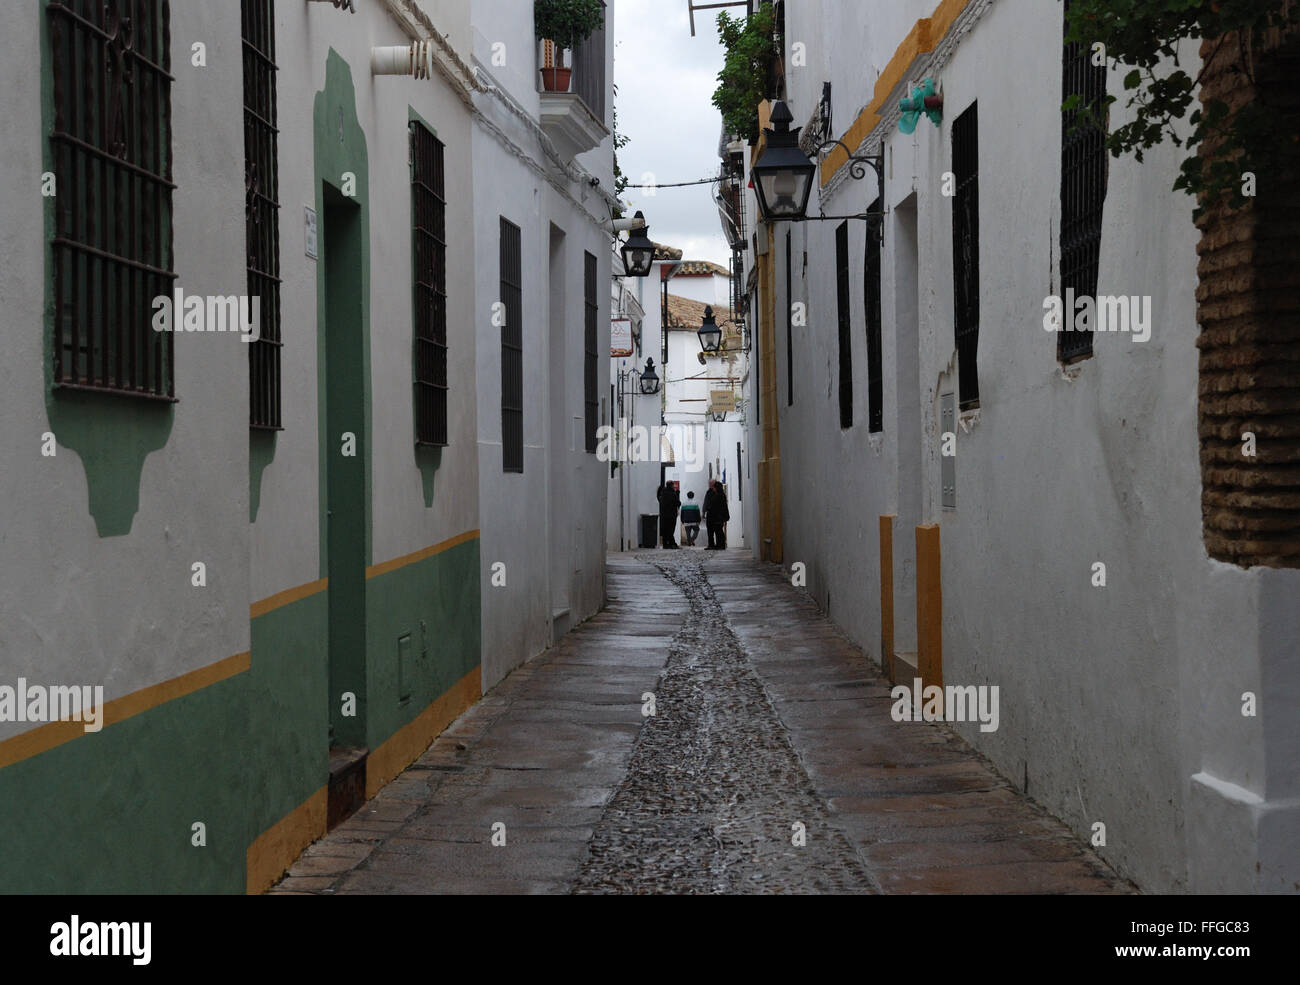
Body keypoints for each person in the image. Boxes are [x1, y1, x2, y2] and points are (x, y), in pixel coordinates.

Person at [703, 480, 729, 550]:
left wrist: (708, 508)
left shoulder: (719, 495)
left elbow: (714, 506)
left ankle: (720, 545)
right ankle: (718, 545)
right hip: (716, 516)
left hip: (717, 516)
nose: (713, 488)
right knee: (717, 531)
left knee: (718, 531)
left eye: (714, 487)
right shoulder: (720, 494)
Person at [657, 482, 680, 549]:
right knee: (671, 530)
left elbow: (660, 501)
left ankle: (665, 544)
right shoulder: (673, 494)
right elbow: (678, 503)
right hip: (672, 515)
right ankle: (672, 543)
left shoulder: (663, 493)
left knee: (665, 530)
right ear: (672, 486)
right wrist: (677, 494)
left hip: (664, 515)